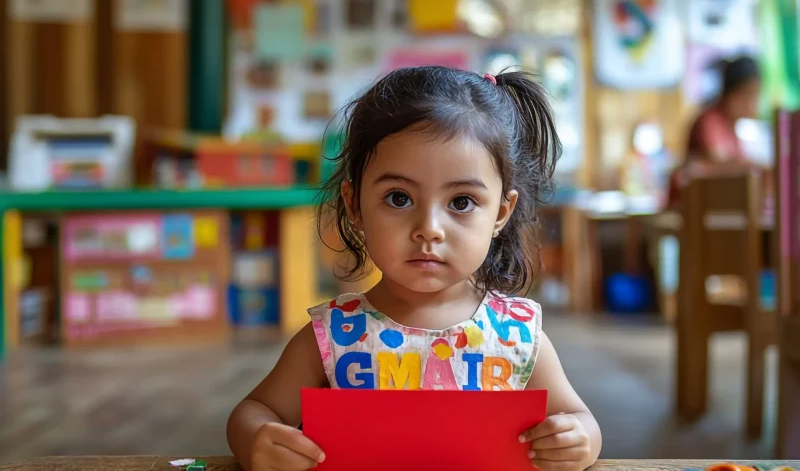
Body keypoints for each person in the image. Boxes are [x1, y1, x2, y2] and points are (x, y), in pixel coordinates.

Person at [227, 67, 602, 471]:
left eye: (461, 202)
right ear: (354, 205)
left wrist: (578, 440)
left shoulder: (518, 335)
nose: (429, 229)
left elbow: (581, 421)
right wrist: (257, 440)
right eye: (399, 198)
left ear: (501, 212)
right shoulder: (333, 334)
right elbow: (253, 411)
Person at [667, 55, 762, 205]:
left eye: (756, 94)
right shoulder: (709, 121)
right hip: (693, 214)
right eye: (749, 93)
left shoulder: (732, 128)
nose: (754, 102)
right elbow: (719, 168)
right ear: (732, 93)